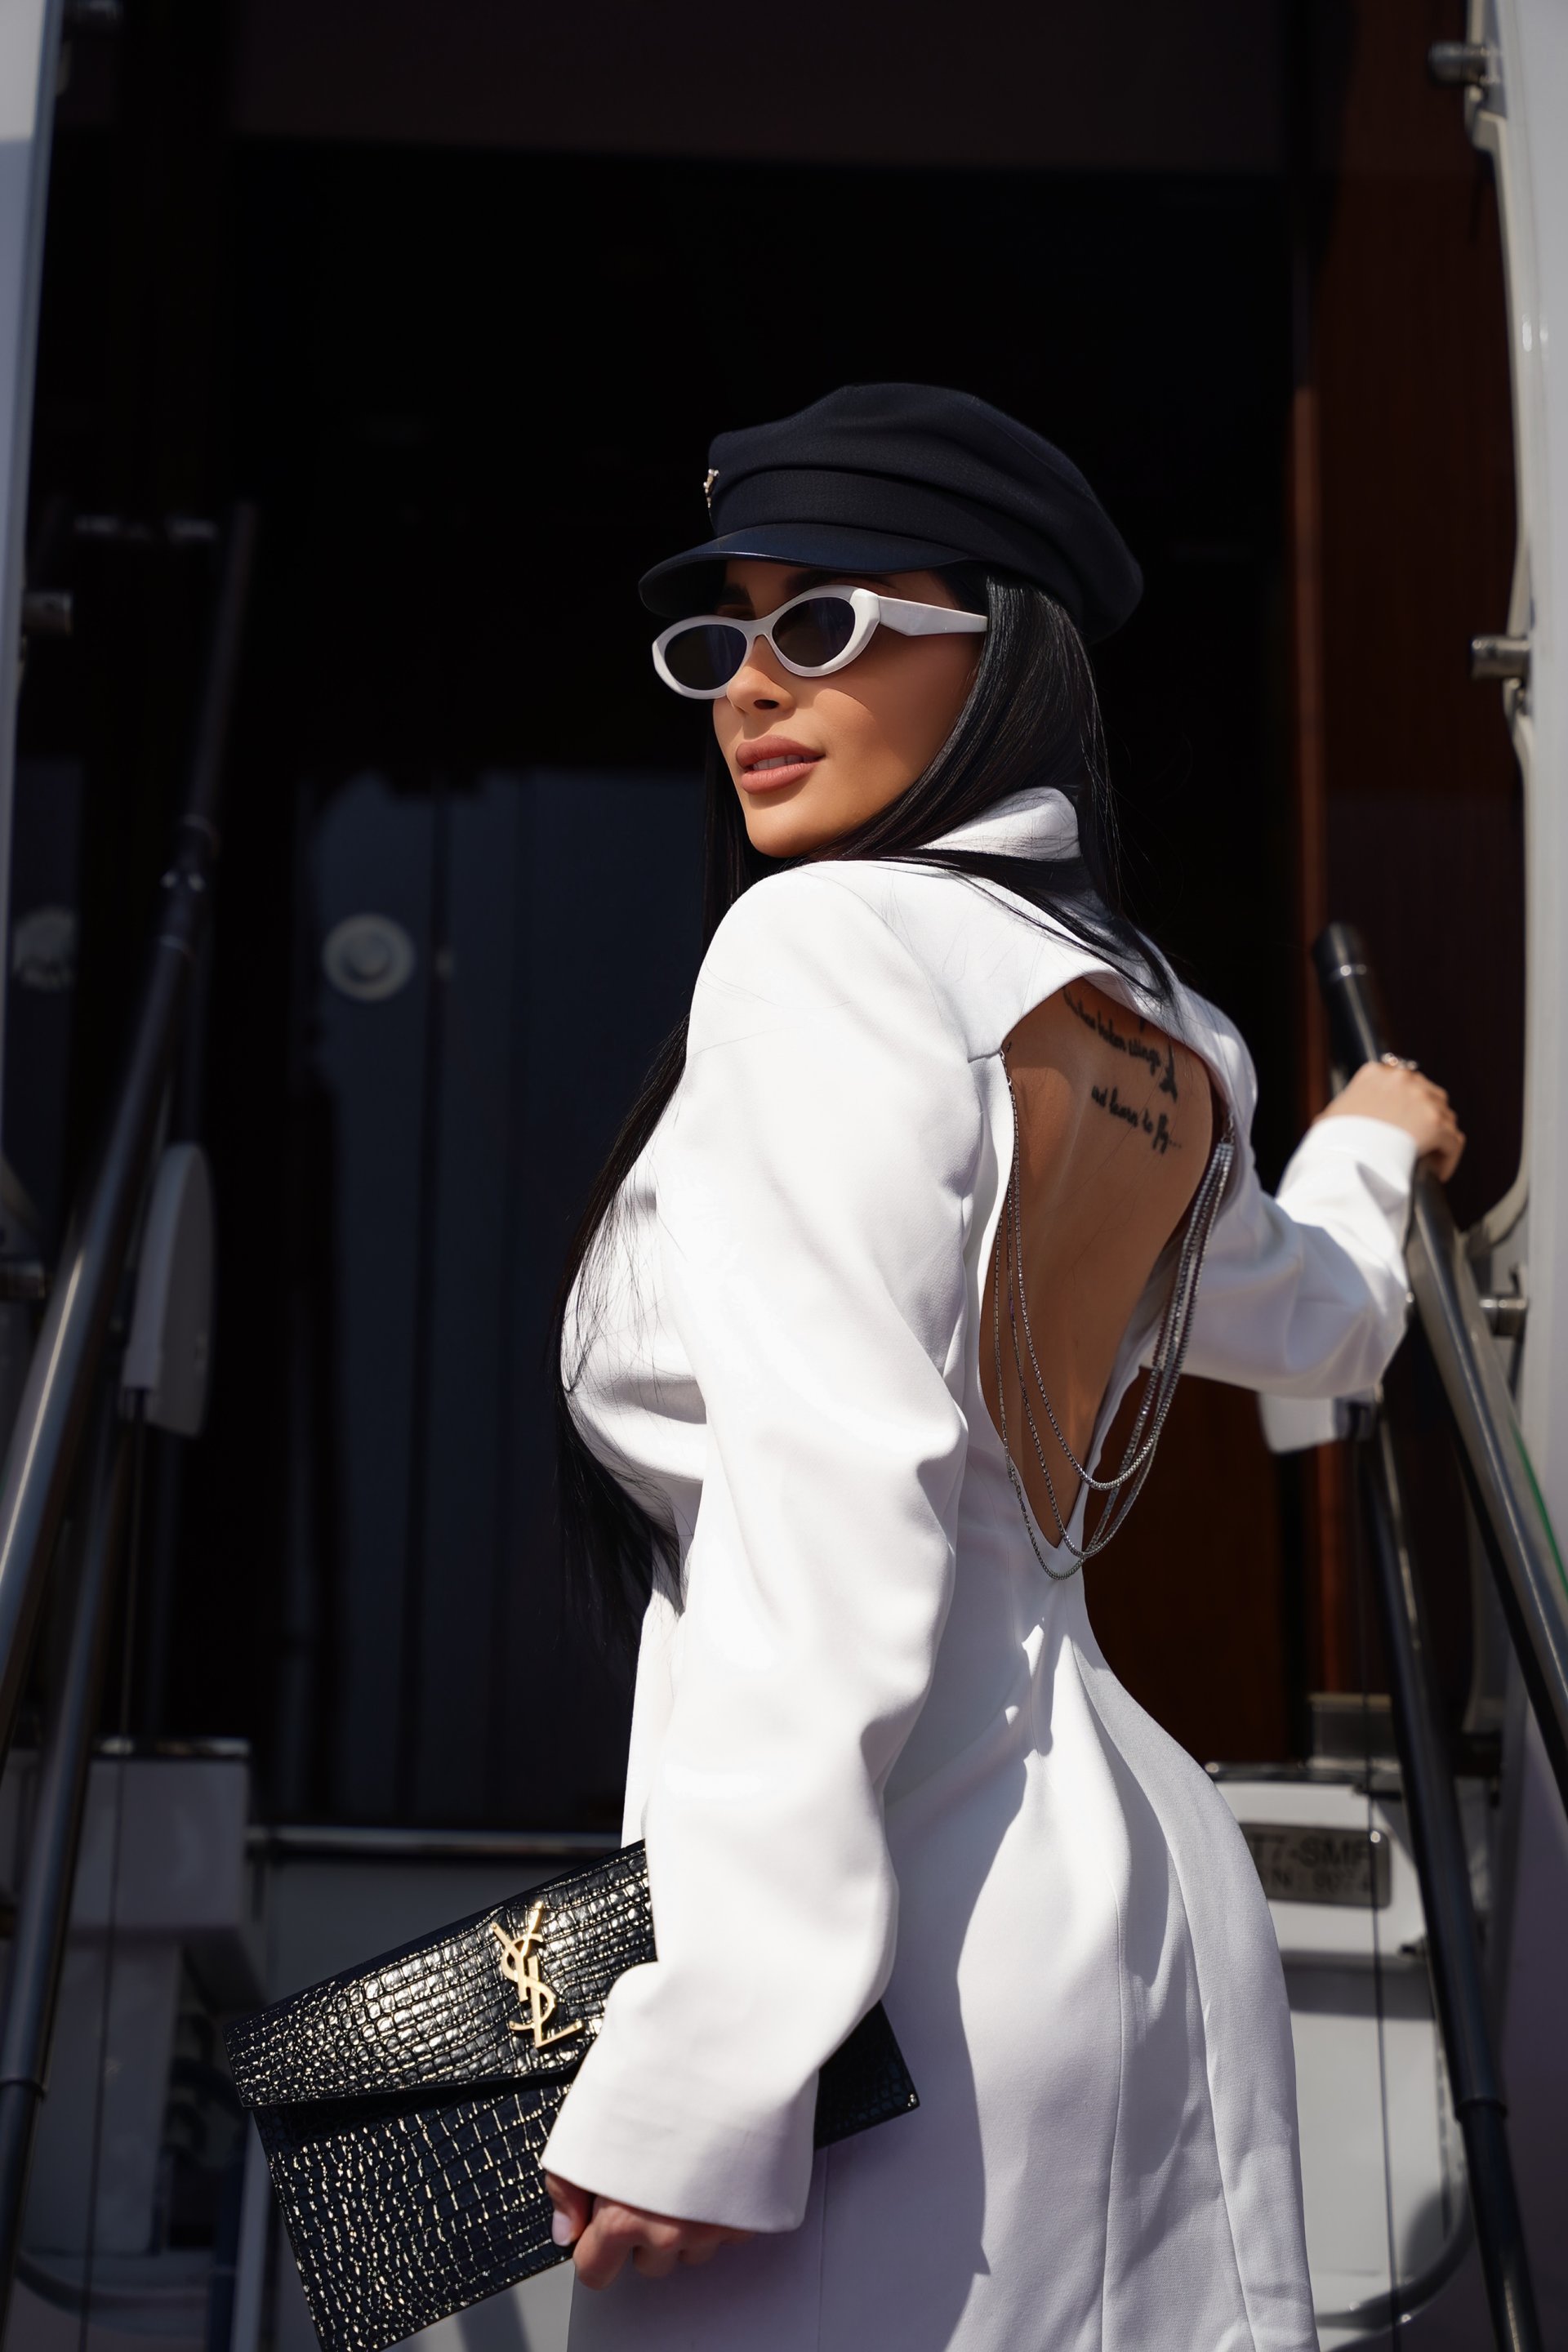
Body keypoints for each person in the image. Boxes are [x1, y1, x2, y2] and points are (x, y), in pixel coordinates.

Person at [537, 384, 1463, 2351]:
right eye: (720, 641)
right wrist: (1375, 1142)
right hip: (1130, 1886)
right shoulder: (1146, 1023)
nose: (750, 691)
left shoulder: (821, 948)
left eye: (826, 624)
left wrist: (719, 2043)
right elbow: (1315, 1322)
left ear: (1002, 650)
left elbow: (833, 1492)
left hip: (895, 1947)